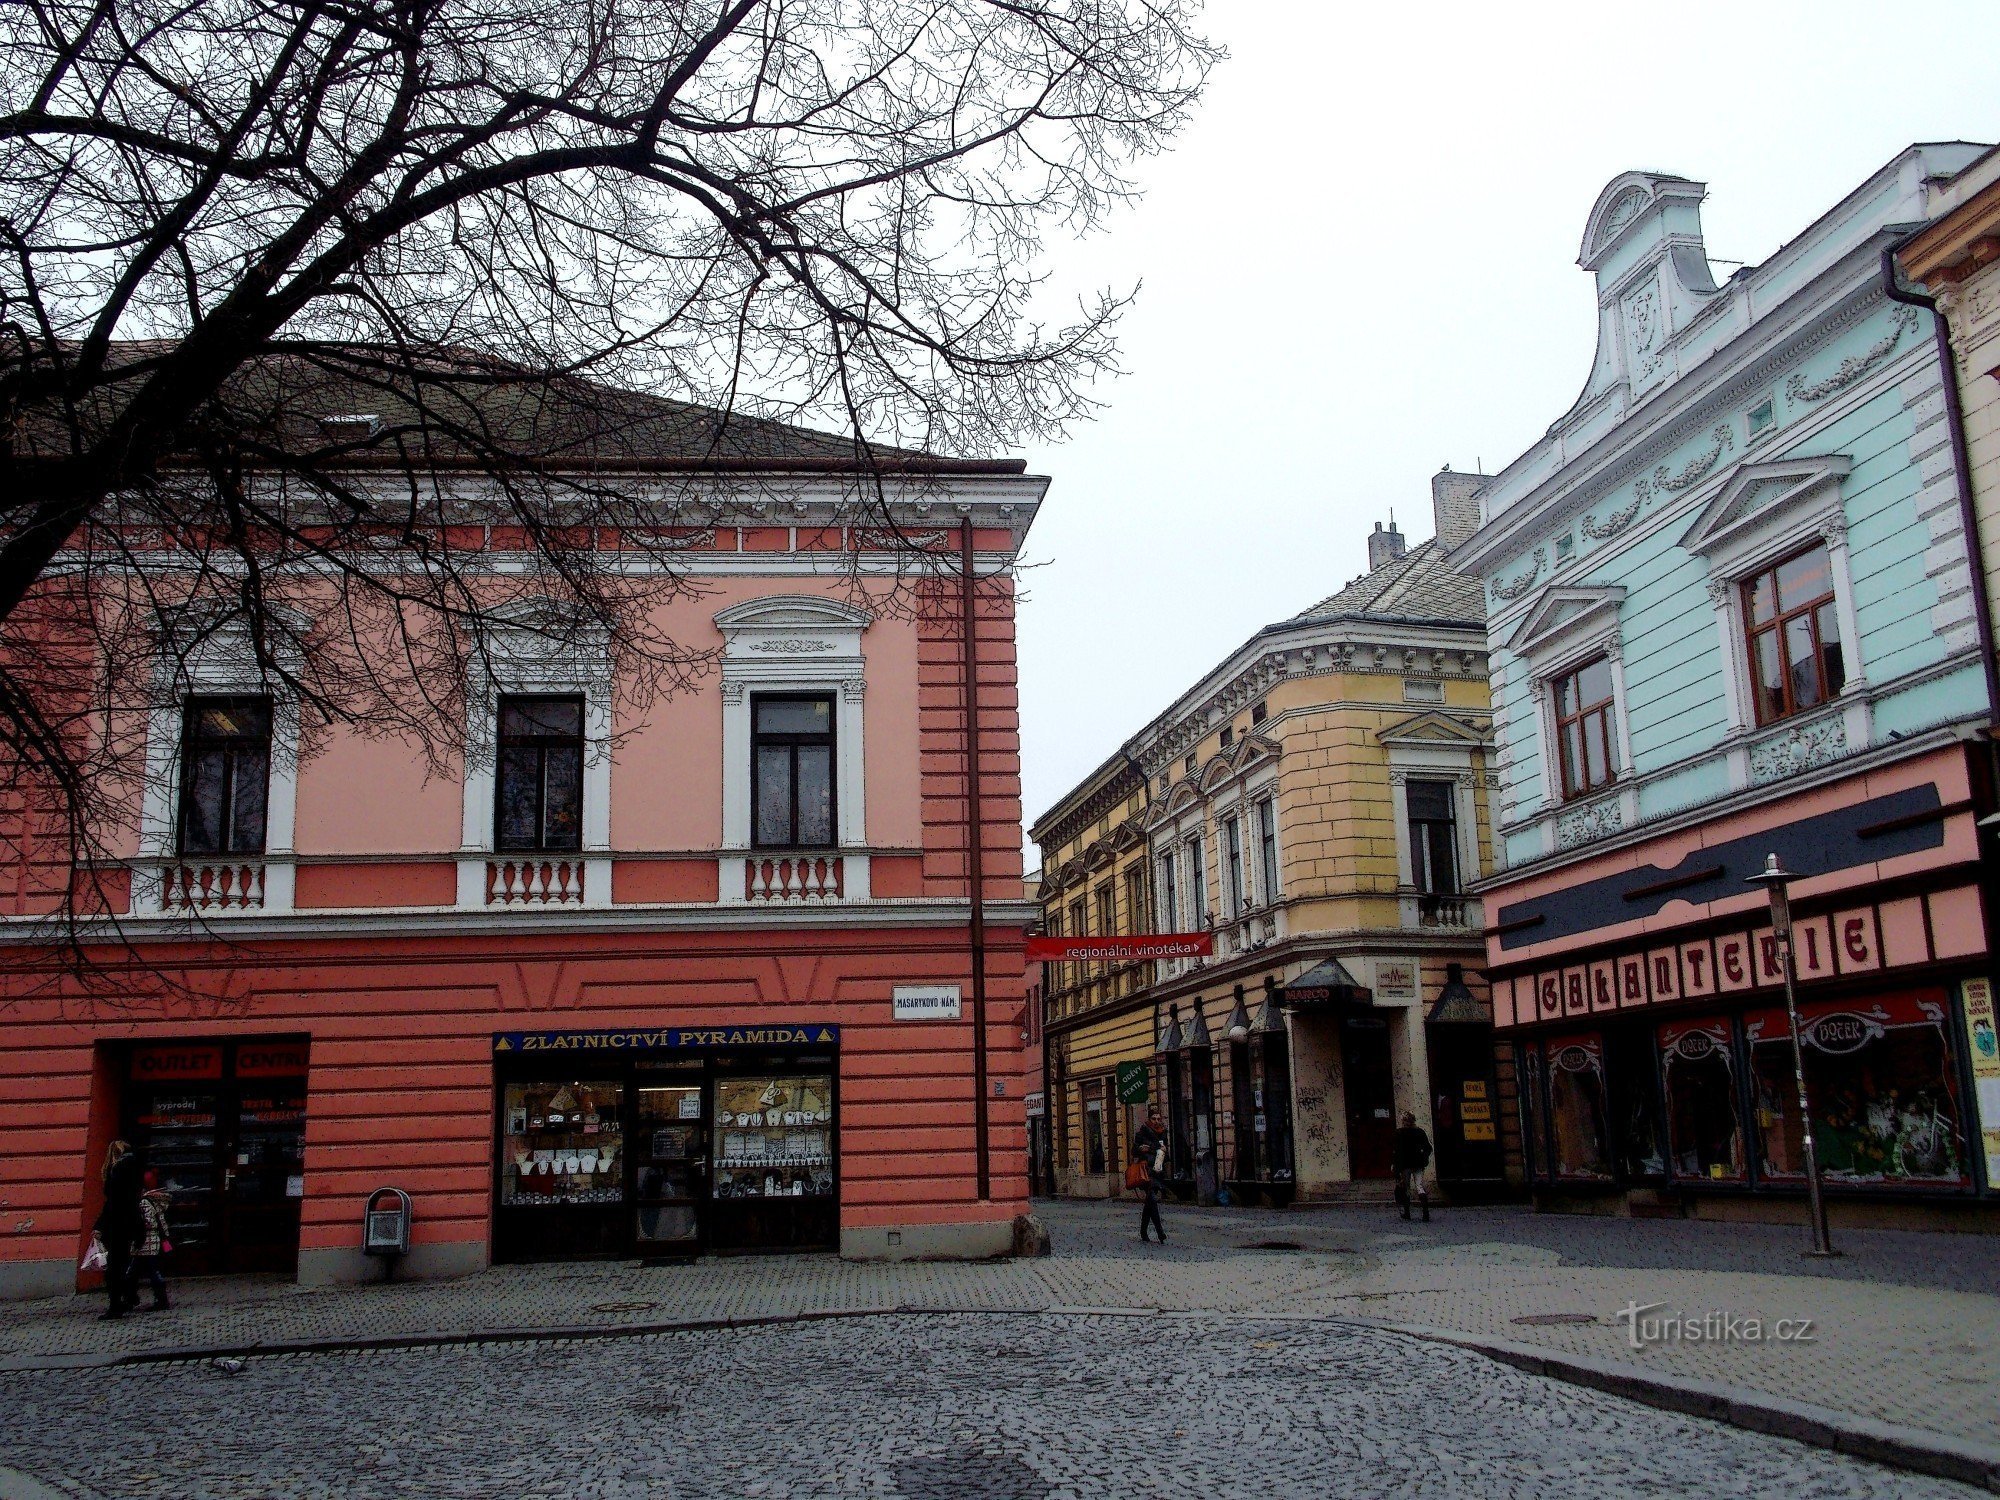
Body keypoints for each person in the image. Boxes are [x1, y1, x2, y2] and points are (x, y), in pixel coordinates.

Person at [93, 1140, 143, 1319]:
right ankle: (129, 1296)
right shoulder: (134, 1170)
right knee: (124, 1264)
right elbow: (132, 1202)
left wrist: (99, 1226)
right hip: (129, 1224)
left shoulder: (117, 1172)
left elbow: (112, 1204)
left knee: (113, 1269)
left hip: (116, 1227)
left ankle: (116, 1305)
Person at [128, 1169, 173, 1312]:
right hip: (153, 1242)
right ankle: (157, 1299)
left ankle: (134, 1299)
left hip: (145, 1242)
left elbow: (149, 1223)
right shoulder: (155, 1200)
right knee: (146, 1271)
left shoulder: (144, 1202)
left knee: (138, 1272)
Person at [1132, 1109, 1169, 1245]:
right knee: (1152, 1199)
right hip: (1145, 1170)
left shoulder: (1163, 1133)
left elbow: (1165, 1154)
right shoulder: (1142, 1133)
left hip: (1158, 1169)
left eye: (1158, 1119)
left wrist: (1164, 1150)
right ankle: (1160, 1232)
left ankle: (1143, 1231)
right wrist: (1141, 1149)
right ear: (1149, 1119)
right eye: (1154, 1118)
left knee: (1149, 1203)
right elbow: (1134, 1150)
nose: (1156, 1121)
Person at [1392, 1112, 1433, 1223]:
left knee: (1406, 1187)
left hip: (1405, 1165)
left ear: (1403, 1121)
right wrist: (1423, 1158)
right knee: (1419, 1186)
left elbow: (1396, 1151)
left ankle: (1407, 1213)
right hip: (1418, 1164)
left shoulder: (1399, 1133)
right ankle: (1425, 1213)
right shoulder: (1420, 1132)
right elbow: (1428, 1148)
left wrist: (1394, 1165)